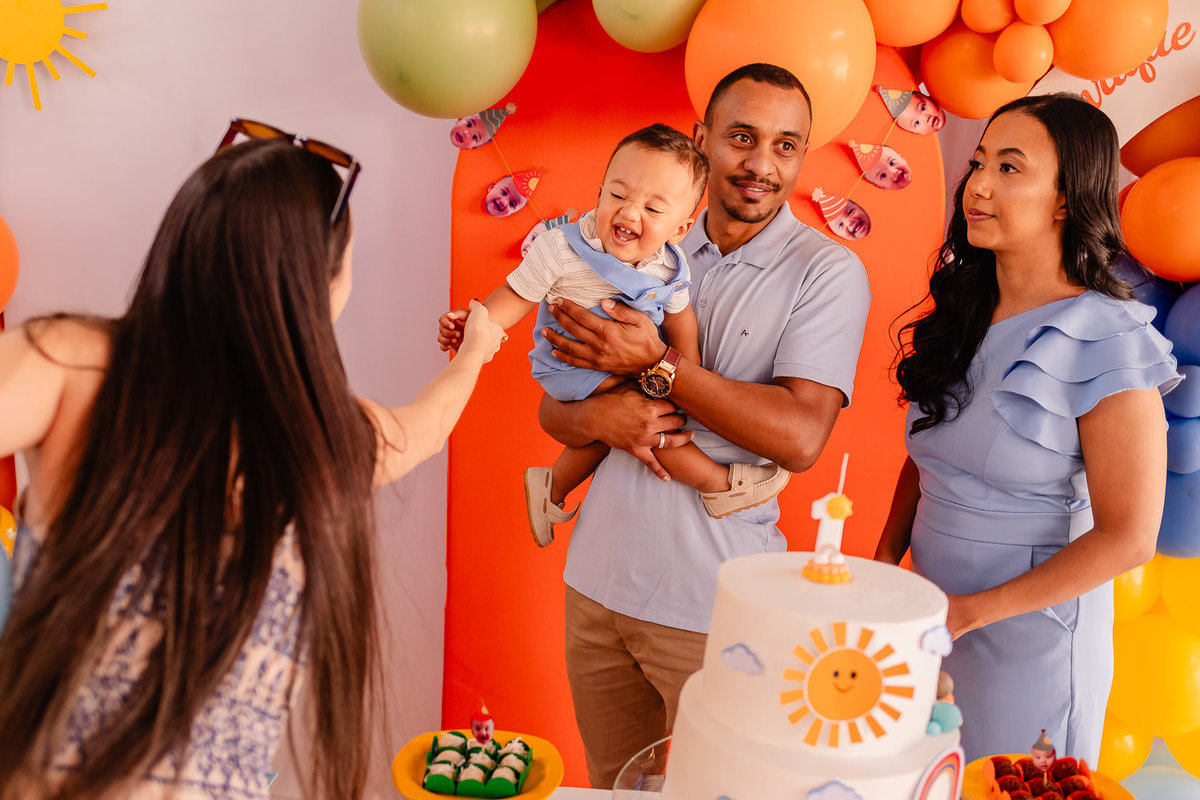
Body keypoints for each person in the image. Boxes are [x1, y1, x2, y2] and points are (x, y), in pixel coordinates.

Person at [0, 123, 507, 800]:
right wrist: (477, 346)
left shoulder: (70, 360)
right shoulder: (328, 435)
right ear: (319, 283)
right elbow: (431, 425)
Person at [536, 64, 871, 788]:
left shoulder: (826, 272)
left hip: (714, 604)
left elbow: (800, 439)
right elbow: (552, 409)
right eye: (742, 137)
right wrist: (605, 414)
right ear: (701, 140)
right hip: (596, 588)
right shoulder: (636, 242)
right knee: (612, 786)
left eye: (786, 145)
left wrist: (657, 364)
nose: (761, 163)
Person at [876, 93, 1180, 764]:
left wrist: (971, 611)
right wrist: (879, 572)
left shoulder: (1108, 337)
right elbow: (930, 462)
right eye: (979, 160)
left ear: (1067, 199)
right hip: (930, 628)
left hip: (1029, 647)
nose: (978, 184)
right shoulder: (964, 309)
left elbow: (1129, 539)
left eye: (1010, 168)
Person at [438, 124, 790, 546]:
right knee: (648, 411)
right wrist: (474, 327)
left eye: (654, 209)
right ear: (600, 191)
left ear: (680, 229)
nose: (628, 213)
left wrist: (688, 373)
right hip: (570, 362)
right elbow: (514, 296)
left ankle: (552, 486)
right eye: (618, 196)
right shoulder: (560, 248)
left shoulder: (669, 264)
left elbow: (681, 320)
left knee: (626, 420)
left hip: (623, 366)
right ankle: (717, 484)